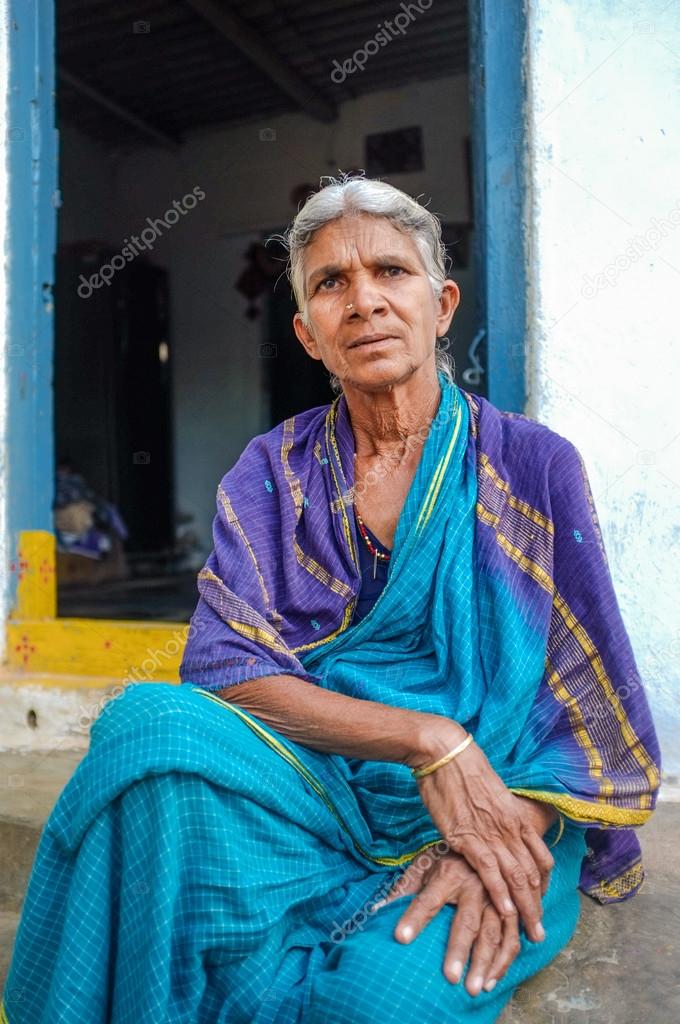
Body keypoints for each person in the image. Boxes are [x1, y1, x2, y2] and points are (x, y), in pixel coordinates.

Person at [3, 174, 661, 1024]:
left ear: (443, 302)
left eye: (391, 272)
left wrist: (502, 834)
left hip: (495, 803)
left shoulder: (533, 469)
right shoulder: (274, 473)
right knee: (148, 731)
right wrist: (428, 737)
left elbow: (588, 716)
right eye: (331, 284)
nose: (365, 302)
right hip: (314, 788)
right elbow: (223, 667)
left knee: (371, 998)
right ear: (308, 336)